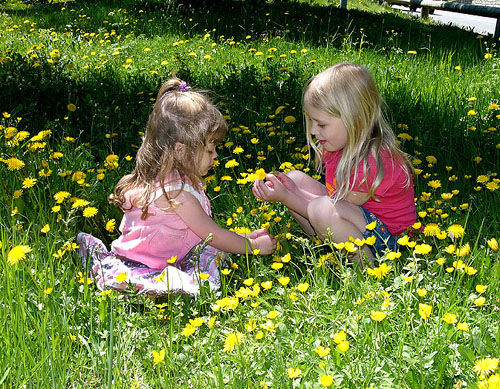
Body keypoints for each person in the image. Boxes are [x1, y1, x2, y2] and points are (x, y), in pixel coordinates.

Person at [78, 78, 276, 296]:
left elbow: (203, 232)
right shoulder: (177, 193)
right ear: (181, 150)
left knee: (212, 251)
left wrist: (246, 237)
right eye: (210, 150)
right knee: (191, 277)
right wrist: (254, 248)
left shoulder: (174, 178)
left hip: (168, 254)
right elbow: (213, 235)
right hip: (146, 266)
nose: (216, 155)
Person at [253, 63, 416, 264]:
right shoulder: (338, 148)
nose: (313, 130)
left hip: (391, 243)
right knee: (295, 179)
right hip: (362, 224)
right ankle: (325, 248)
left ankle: (367, 270)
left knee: (320, 209)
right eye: (311, 121)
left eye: (321, 124)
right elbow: (333, 203)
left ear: (355, 120)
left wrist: (286, 196)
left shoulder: (370, 164)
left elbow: (328, 208)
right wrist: (291, 190)